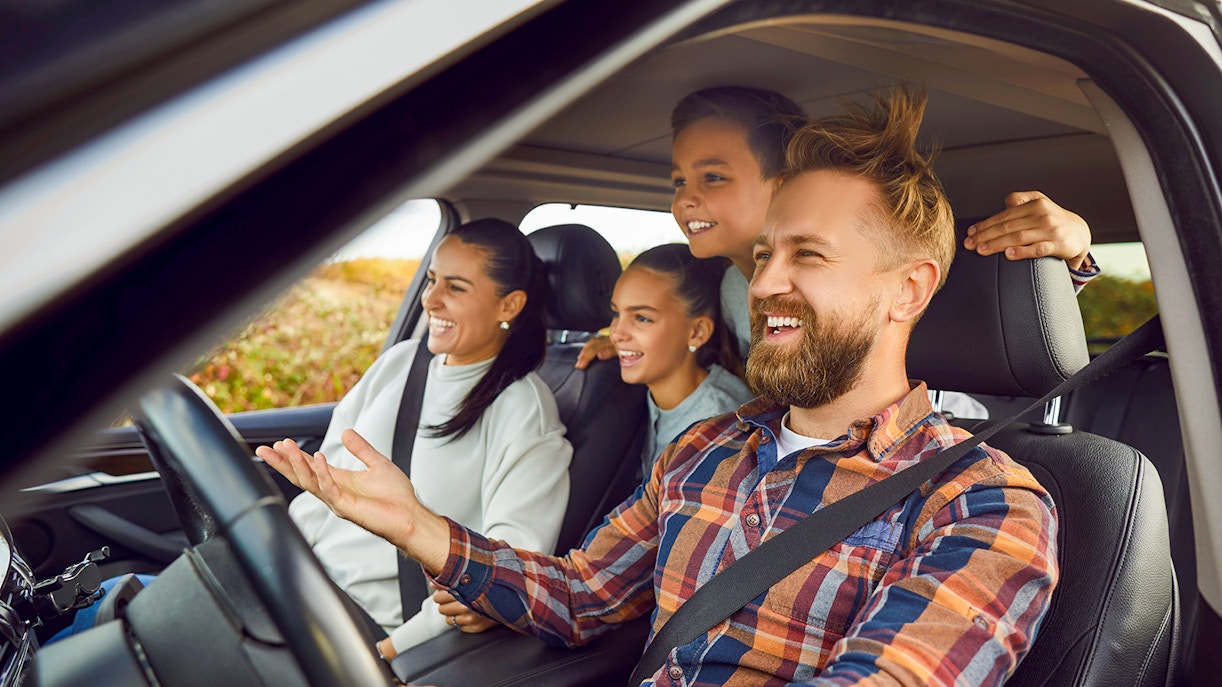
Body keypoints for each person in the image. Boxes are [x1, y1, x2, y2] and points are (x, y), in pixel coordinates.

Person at [260, 87, 1058, 686]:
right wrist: (418, 526)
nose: (768, 280)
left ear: (908, 291)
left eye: (807, 256)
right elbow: (580, 597)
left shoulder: (983, 504)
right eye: (765, 253)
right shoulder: (708, 449)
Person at [577, 85, 1098, 368]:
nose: (686, 198)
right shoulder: (725, 285)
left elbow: (976, 310)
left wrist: (1072, 257)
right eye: (677, 181)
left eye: (713, 177)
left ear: (783, 186)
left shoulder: (871, 275)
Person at [263, 217, 572, 660]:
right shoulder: (401, 363)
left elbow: (504, 572)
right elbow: (323, 483)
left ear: (509, 305)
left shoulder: (523, 410)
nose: (431, 299)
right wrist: (271, 561)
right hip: (296, 587)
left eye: (456, 287)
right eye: (431, 279)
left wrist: (387, 652)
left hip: (359, 629)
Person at [608, 244, 754, 478]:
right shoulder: (656, 389)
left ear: (697, 332)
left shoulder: (718, 430)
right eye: (617, 314)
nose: (616, 334)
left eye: (642, 318)